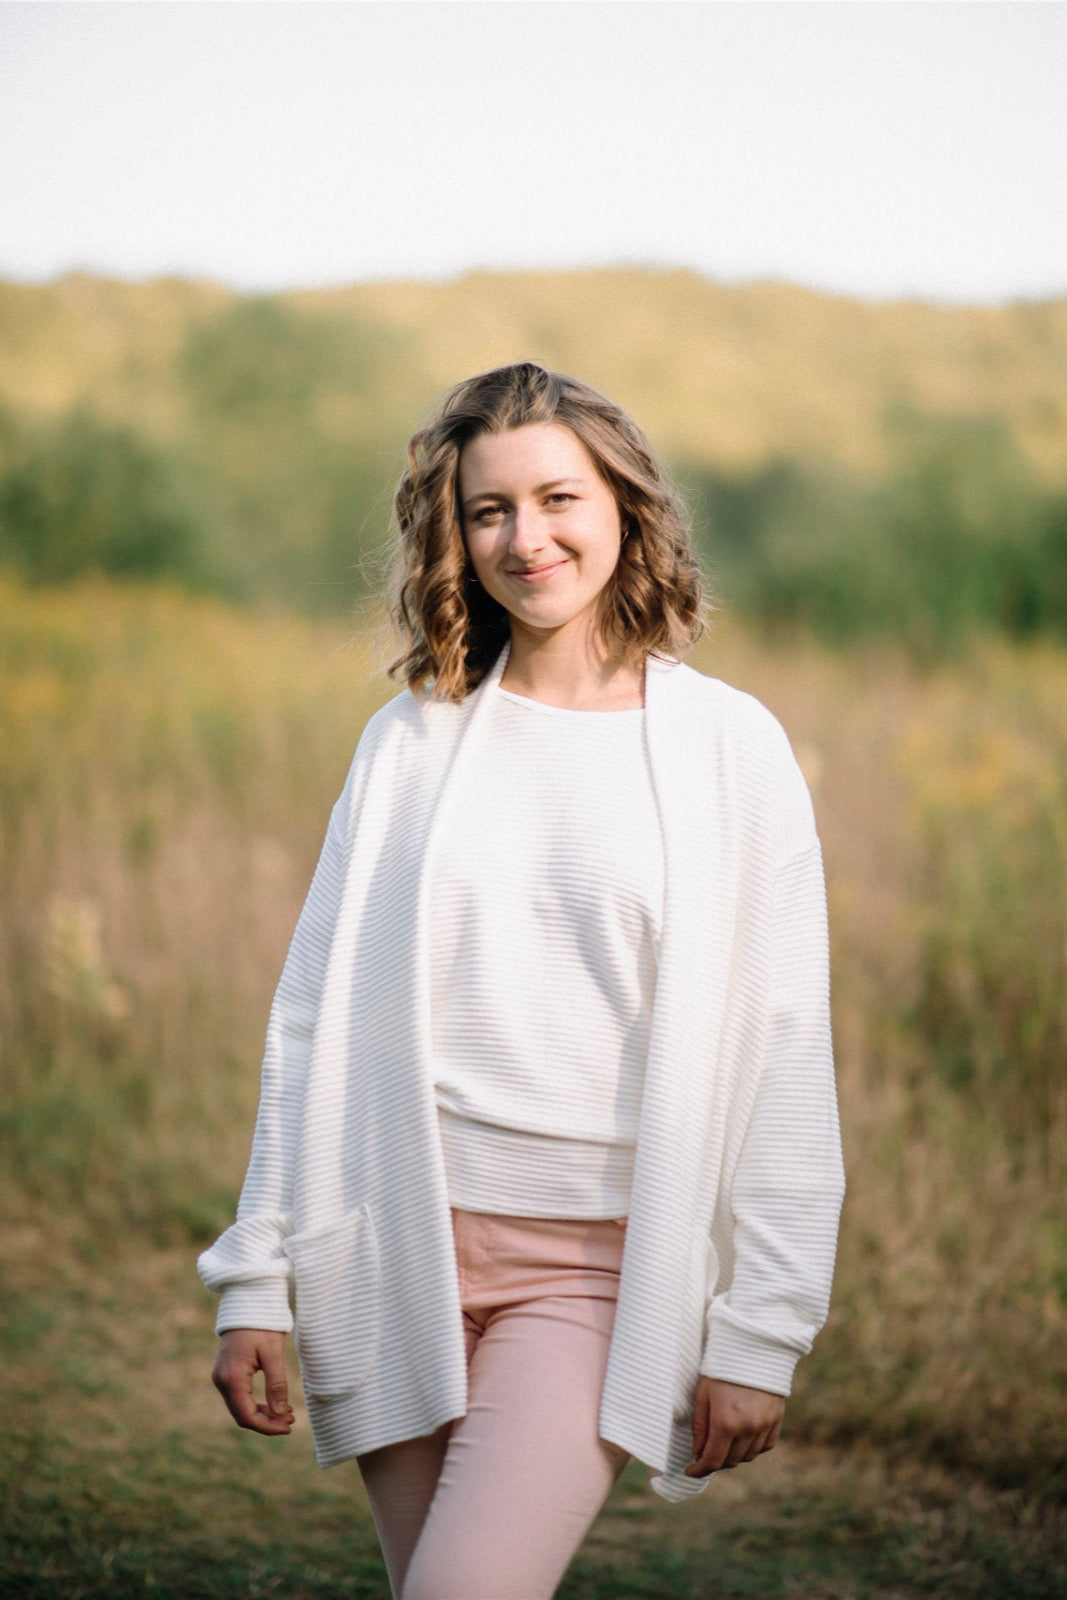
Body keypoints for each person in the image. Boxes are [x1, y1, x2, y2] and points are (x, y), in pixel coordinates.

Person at [198, 361, 845, 1600]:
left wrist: (761, 1327)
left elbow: (780, 1043)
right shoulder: (412, 738)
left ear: (624, 508)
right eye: (487, 510)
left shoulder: (729, 749)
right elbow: (311, 1018)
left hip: (592, 1270)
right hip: (387, 1242)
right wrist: (257, 1279)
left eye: (557, 497)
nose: (524, 536)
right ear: (453, 534)